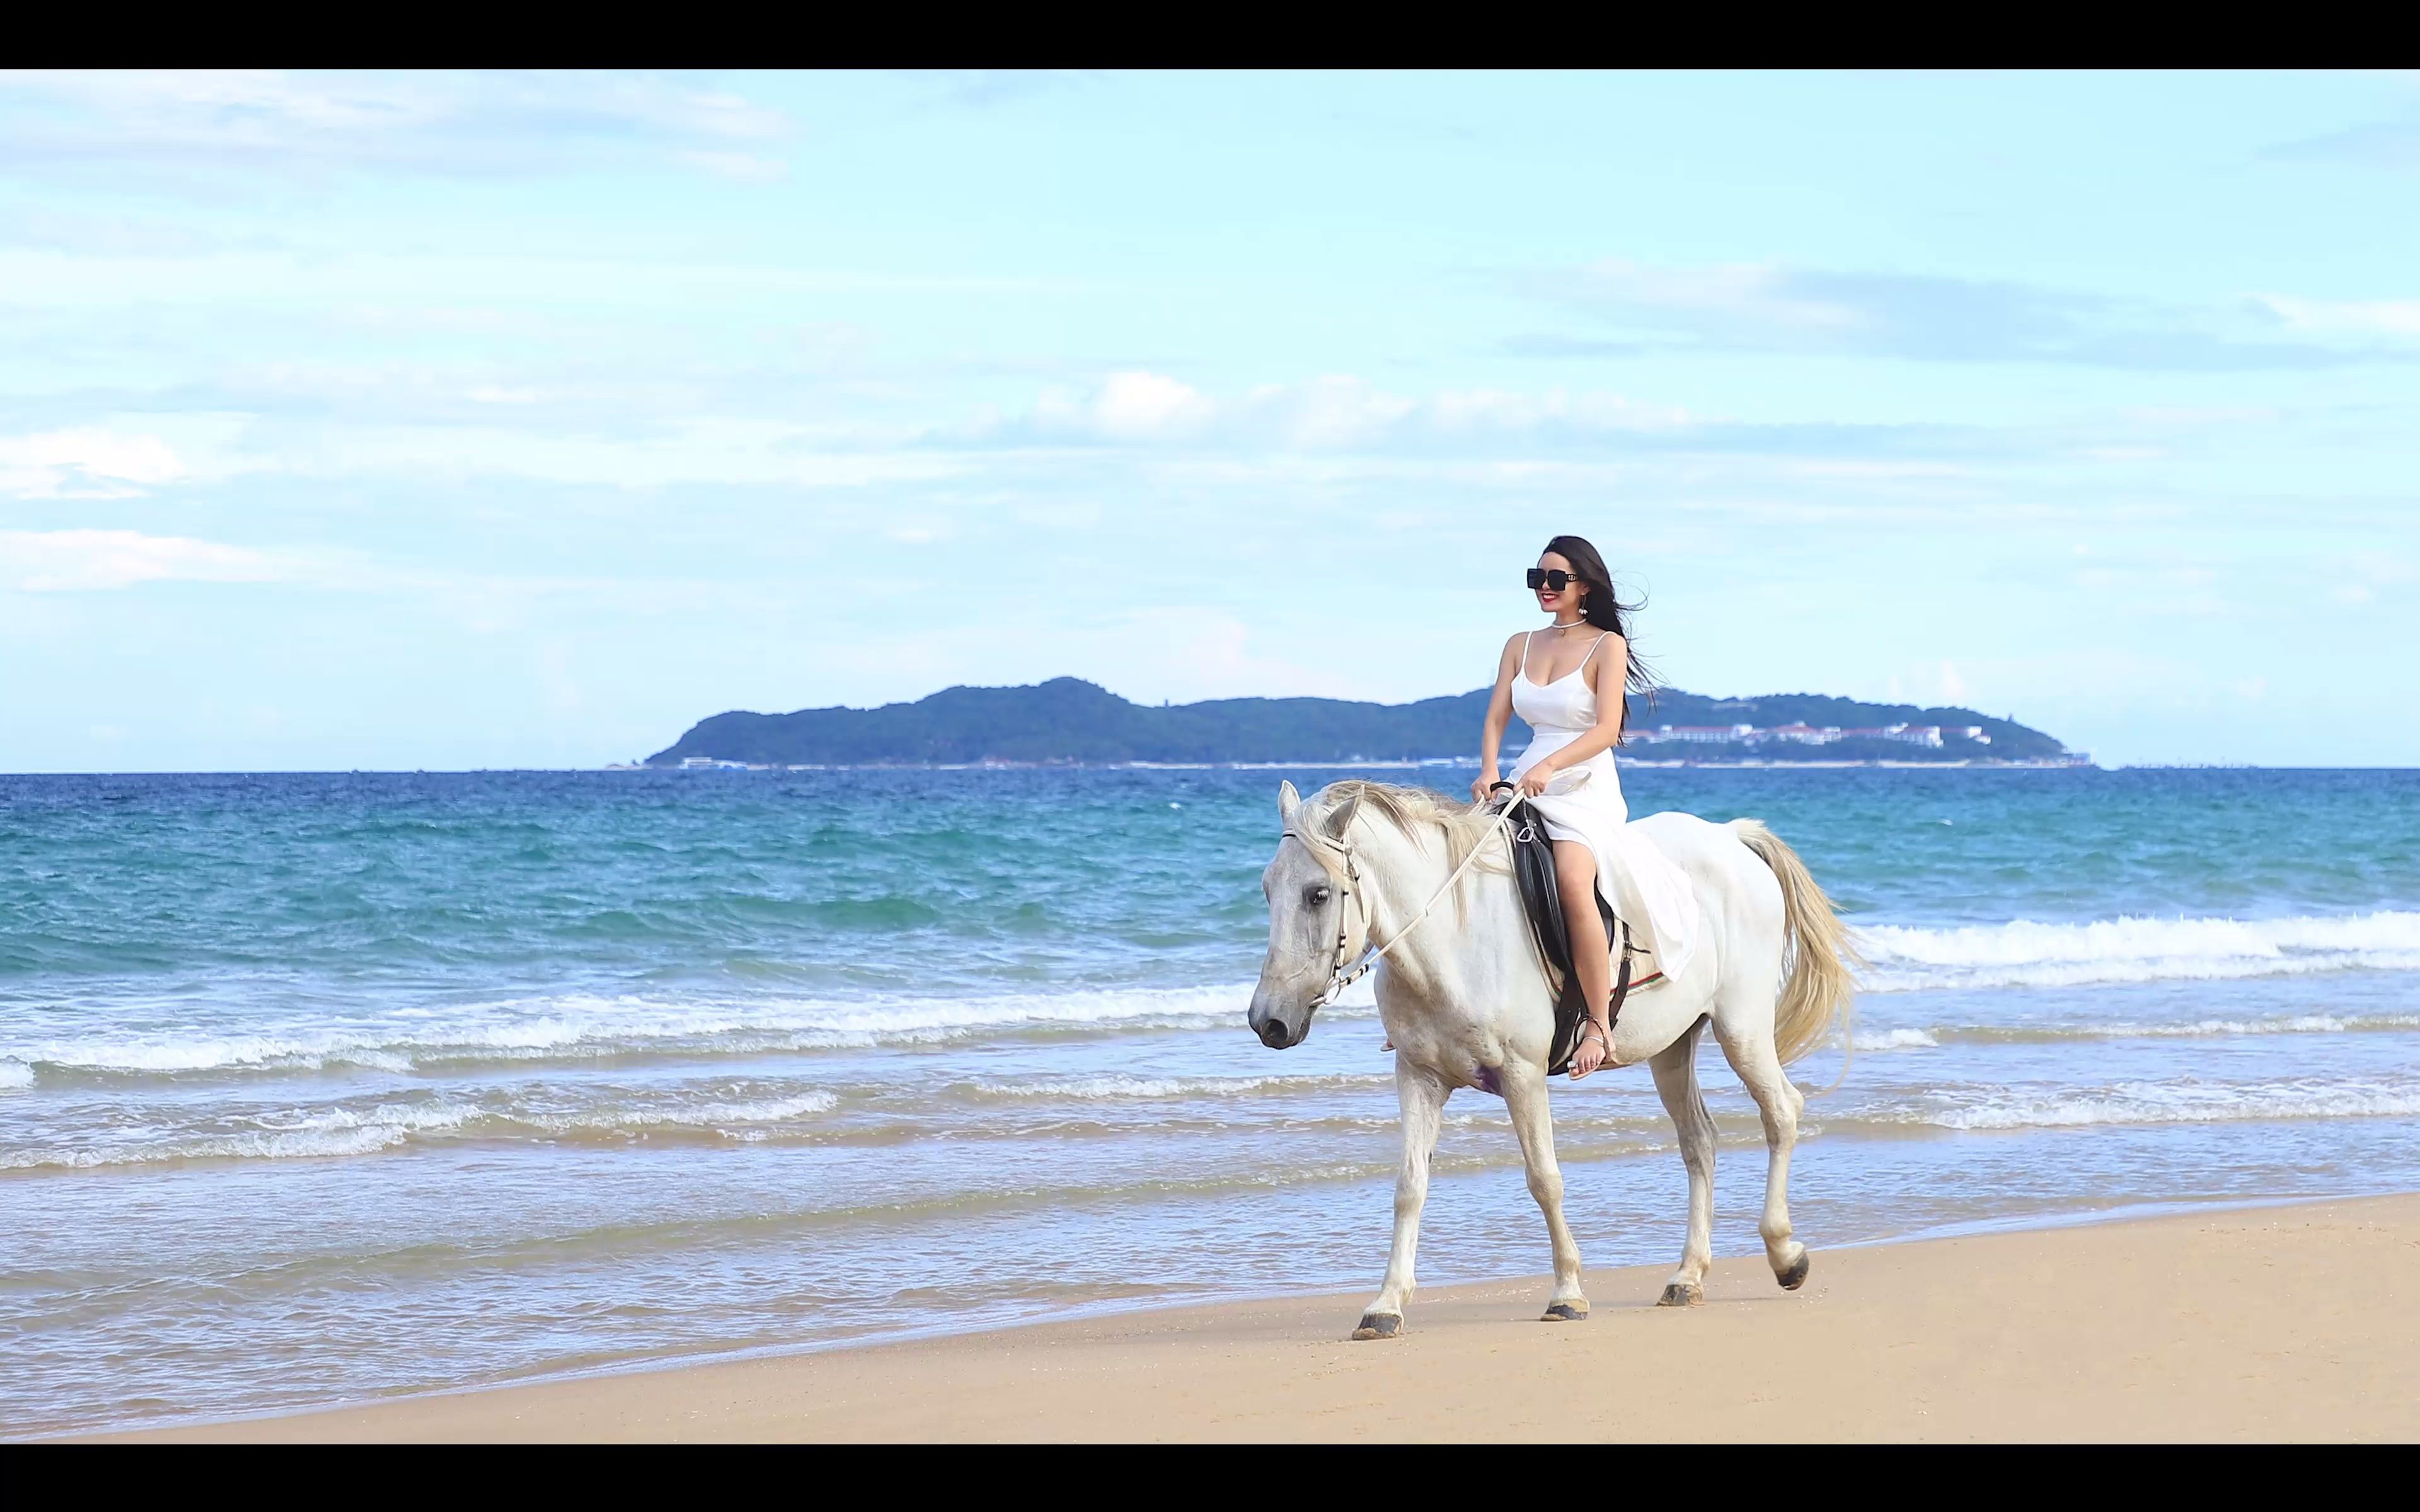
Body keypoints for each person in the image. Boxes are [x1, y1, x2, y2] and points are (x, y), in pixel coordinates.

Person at [1470, 536, 1700, 1079]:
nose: (1544, 589)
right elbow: (1496, 717)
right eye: (1538, 578)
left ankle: (1597, 1022)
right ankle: (1438, 1008)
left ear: (1585, 587)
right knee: (1460, 866)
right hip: (1525, 774)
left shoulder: (1606, 647)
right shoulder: (1519, 643)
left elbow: (1606, 729)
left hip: (1583, 780)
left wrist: (1552, 768)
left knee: (1574, 880)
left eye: (1557, 579)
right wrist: (1488, 768)